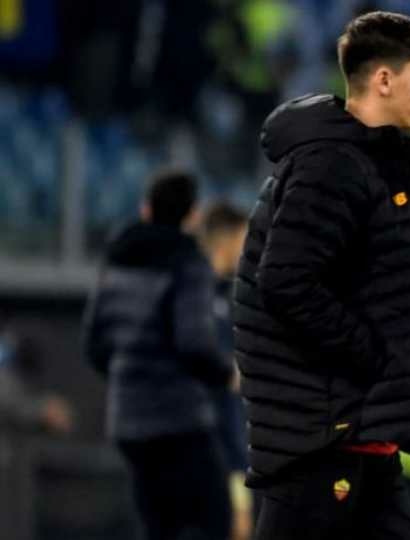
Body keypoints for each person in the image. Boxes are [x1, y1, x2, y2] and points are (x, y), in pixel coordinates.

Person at [232, 11, 410, 540]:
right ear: (384, 79)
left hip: (364, 433)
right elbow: (285, 281)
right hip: (323, 437)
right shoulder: (330, 165)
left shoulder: (375, 161)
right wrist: (374, 353)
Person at [82, 169, 234, 540]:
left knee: (156, 525)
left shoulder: (117, 259)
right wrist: (226, 374)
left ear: (145, 208)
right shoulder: (188, 262)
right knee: (216, 517)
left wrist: (129, 376)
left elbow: (95, 344)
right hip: (178, 418)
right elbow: (194, 343)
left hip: (128, 419)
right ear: (192, 215)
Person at [199, 201, 253, 540]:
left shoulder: (222, 299)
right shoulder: (198, 301)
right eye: (244, 238)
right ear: (228, 239)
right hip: (206, 457)